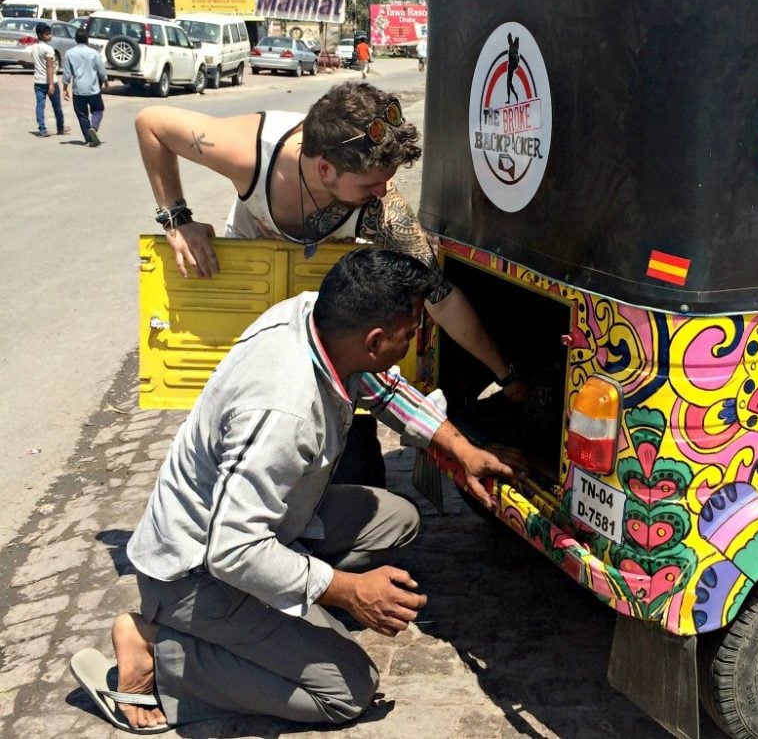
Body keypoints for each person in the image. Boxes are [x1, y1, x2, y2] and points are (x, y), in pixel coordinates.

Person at [69, 247, 518, 732]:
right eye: (408, 334)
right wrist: (347, 591)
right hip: (195, 573)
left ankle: (273, 611)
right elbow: (233, 549)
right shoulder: (283, 412)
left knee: (397, 520)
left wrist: (459, 446)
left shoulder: (314, 315)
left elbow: (382, 386)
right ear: (372, 339)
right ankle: (158, 648)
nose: (412, 341)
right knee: (346, 689)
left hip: (261, 526)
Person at [134, 82, 526, 485]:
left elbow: (440, 298)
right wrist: (177, 219)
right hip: (254, 289)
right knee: (254, 428)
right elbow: (152, 123)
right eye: (371, 184)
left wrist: (505, 374)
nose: (384, 192)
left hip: (323, 290)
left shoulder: (384, 210)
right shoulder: (249, 153)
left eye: (386, 180)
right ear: (325, 169)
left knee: (355, 463)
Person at [62, 27, 108, 147]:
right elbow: (101, 72)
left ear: (76, 39)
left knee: (82, 115)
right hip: (94, 89)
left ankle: (88, 138)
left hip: (78, 90)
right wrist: (105, 82)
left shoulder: (69, 53)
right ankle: (94, 127)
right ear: (87, 39)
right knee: (98, 110)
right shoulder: (94, 53)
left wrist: (65, 88)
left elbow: (67, 73)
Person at [31, 22, 65, 137]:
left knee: (40, 105)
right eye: (47, 34)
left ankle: (42, 129)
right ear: (40, 35)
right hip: (51, 82)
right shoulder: (49, 49)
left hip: (38, 81)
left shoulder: (34, 47)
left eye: (50, 33)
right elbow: (50, 67)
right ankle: (60, 128)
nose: (50, 36)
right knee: (57, 106)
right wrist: (51, 84)